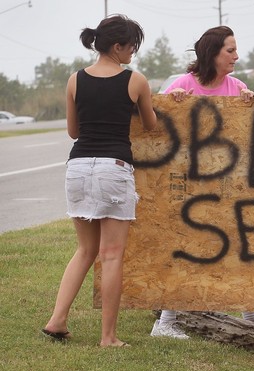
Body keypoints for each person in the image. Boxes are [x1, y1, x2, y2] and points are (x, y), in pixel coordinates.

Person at [42, 14, 157, 347]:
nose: (134, 52)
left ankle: (57, 321)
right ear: (117, 46)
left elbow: (73, 131)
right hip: (113, 168)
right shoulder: (135, 81)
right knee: (110, 255)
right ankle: (108, 337)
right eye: (132, 46)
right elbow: (150, 124)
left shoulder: (74, 80)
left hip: (77, 167)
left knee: (85, 250)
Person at [150, 26, 254, 339]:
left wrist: (252, 106)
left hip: (228, 184)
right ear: (212, 53)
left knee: (242, 246)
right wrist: (172, 103)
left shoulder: (237, 87)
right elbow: (154, 127)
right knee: (188, 248)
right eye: (230, 50)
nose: (236, 56)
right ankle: (165, 322)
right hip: (191, 186)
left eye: (236, 50)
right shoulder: (182, 84)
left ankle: (251, 318)